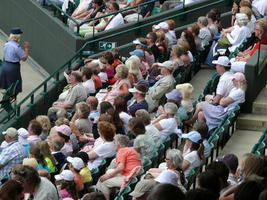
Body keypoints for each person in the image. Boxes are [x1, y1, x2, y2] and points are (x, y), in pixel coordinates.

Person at [96, 134, 142, 200]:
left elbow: (121, 167)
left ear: (117, 144)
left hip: (129, 178)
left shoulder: (122, 150)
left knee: (103, 181)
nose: (113, 145)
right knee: (109, 171)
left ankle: (104, 195)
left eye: (114, 143)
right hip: (133, 175)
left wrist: (108, 176)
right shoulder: (129, 149)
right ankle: (109, 193)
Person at [0, 27, 29, 95]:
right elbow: (24, 58)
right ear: (18, 36)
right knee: (14, 88)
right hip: (13, 67)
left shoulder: (6, 44)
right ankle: (11, 101)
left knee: (5, 86)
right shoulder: (17, 47)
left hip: (5, 65)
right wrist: (26, 49)